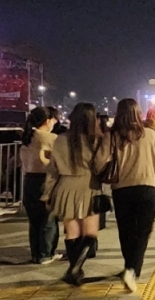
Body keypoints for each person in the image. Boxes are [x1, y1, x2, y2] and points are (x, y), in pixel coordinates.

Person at [45, 102, 110, 285]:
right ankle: (76, 268)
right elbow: (100, 166)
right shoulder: (95, 140)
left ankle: (74, 269)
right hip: (89, 186)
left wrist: (47, 194)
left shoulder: (60, 139)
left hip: (65, 187)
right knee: (91, 233)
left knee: (72, 232)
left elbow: (52, 170)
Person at [109, 99, 155, 292]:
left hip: (121, 188)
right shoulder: (150, 134)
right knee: (142, 232)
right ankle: (132, 270)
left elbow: (102, 162)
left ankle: (129, 266)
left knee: (126, 230)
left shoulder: (113, 135)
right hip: (147, 187)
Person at [20, 106, 60, 264]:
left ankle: (36, 254)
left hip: (29, 180)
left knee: (34, 220)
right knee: (47, 219)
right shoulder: (50, 138)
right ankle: (46, 254)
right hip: (45, 180)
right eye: (53, 120)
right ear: (47, 121)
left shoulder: (27, 137)